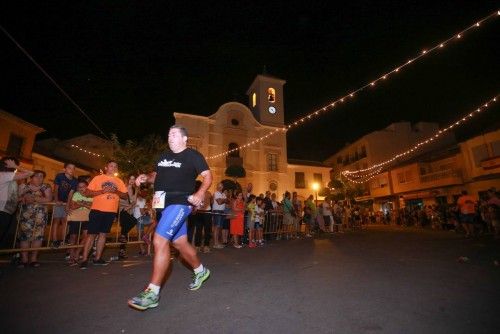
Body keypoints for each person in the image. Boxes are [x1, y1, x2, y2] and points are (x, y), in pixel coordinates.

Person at [128, 125, 212, 311]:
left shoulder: (193, 156)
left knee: (159, 240)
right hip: (162, 205)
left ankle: (152, 292)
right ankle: (200, 271)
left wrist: (200, 194)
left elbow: (207, 177)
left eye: (174, 134)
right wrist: (145, 178)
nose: (170, 137)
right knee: (180, 243)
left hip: (181, 203)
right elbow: (155, 176)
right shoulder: (163, 156)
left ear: (184, 138)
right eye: (168, 134)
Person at [80, 161, 128, 269]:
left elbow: (125, 196)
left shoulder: (119, 181)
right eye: (111, 166)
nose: (114, 168)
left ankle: (97, 258)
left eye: (116, 166)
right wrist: (102, 191)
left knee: (103, 234)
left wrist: (115, 191)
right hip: (97, 209)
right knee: (91, 234)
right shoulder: (98, 178)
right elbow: (87, 193)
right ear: (106, 167)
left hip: (111, 211)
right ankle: (84, 259)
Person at [17, 170, 52, 267]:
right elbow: (17, 197)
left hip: (40, 217)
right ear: (31, 178)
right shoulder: (24, 186)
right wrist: (23, 197)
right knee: (25, 238)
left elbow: (49, 199)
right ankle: (24, 259)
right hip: (25, 217)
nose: (39, 178)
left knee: (38, 238)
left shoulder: (46, 186)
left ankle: (33, 259)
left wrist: (34, 199)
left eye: (41, 176)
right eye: (36, 176)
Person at [0, 157, 33, 249]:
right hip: (2, 211)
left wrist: (21, 196)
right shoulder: (4, 175)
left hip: (8, 212)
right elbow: (30, 173)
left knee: (3, 237)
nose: (15, 167)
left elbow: (12, 196)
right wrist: (16, 166)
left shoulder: (11, 179)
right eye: (13, 164)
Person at [51, 163, 78, 248]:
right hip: (58, 201)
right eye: (69, 168)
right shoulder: (60, 176)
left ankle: (63, 239)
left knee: (65, 221)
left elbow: (71, 193)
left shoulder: (74, 180)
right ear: (65, 169)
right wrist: (56, 199)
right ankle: (54, 240)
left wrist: (68, 204)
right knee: (56, 221)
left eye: (73, 168)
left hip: (66, 202)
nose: (71, 170)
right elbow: (56, 188)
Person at [66, 180, 92, 265]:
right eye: (79, 187)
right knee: (73, 236)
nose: (81, 189)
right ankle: (71, 255)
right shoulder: (76, 194)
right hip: (75, 217)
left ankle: (77, 253)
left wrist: (81, 203)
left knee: (86, 236)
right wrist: (84, 204)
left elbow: (92, 207)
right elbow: (72, 206)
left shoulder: (91, 195)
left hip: (87, 217)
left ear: (87, 187)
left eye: (83, 186)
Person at [212, 182, 227, 249]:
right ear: (217, 187)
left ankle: (218, 242)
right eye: (219, 186)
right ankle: (215, 243)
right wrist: (224, 200)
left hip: (222, 211)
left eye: (221, 186)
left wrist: (223, 200)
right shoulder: (216, 193)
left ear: (223, 187)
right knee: (216, 227)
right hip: (217, 211)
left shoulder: (223, 194)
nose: (220, 187)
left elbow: (228, 201)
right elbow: (219, 202)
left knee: (219, 228)